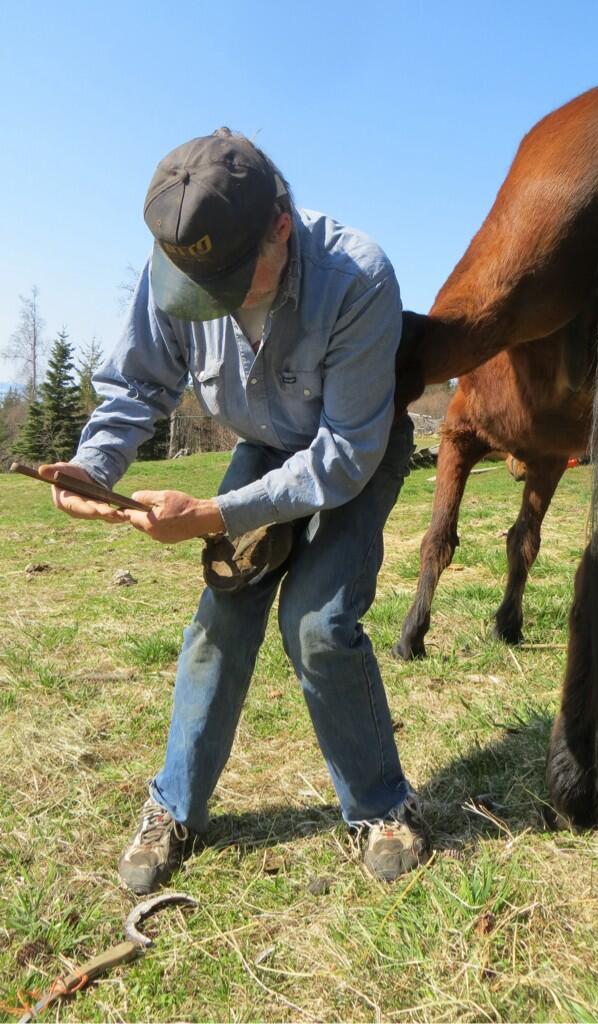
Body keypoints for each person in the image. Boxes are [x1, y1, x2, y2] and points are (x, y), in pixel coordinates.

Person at [41, 127, 430, 894]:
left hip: (352, 448)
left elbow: (344, 456)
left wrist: (216, 512)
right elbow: (138, 386)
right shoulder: (182, 260)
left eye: (226, 285)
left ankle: (383, 805)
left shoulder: (357, 278)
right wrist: (95, 466)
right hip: (264, 445)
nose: (206, 306)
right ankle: (173, 807)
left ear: (278, 230)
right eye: (195, 289)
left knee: (317, 626)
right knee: (222, 619)